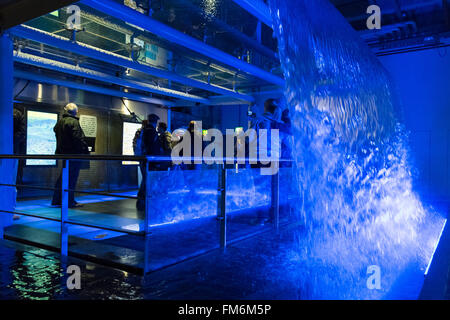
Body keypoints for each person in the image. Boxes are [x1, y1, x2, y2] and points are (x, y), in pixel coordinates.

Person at [51, 103, 89, 208]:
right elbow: (78, 139)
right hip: (74, 154)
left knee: (63, 176)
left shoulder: (60, 122)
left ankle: (57, 200)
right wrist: (85, 151)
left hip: (63, 154)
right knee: (71, 178)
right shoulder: (74, 122)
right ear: (75, 111)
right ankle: (69, 201)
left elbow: (55, 131)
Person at [136, 113, 161, 210]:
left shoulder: (144, 130)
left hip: (144, 159)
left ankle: (142, 200)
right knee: (147, 180)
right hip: (149, 161)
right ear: (155, 122)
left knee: (145, 180)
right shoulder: (151, 132)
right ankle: (142, 201)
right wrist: (156, 162)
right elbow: (153, 148)